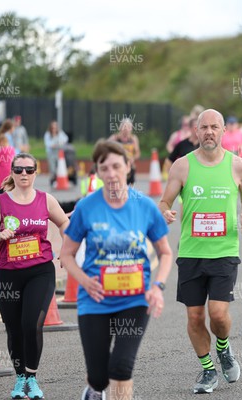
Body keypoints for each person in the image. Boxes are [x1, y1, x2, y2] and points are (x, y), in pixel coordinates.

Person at [60, 140, 173, 400]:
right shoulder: (87, 207)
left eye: (116, 166)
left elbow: (165, 252)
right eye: (104, 168)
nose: (110, 173)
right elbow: (66, 254)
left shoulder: (144, 206)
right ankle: (92, 389)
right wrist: (84, 282)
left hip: (135, 299)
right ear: (97, 172)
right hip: (95, 300)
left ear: (128, 166)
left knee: (121, 367)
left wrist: (158, 287)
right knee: (100, 377)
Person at [158, 109, 242, 394]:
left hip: (224, 251)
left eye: (215, 127)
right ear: (195, 132)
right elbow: (164, 201)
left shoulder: (238, 165)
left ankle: (223, 348)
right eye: (204, 127)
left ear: (224, 130)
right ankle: (208, 370)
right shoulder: (182, 166)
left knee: (219, 315)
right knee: (195, 317)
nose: (209, 132)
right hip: (190, 252)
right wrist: (166, 213)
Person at [0, 153, 69, 400]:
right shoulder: (1, 202)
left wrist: (66, 249)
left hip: (40, 270)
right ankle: (20, 379)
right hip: (9, 274)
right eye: (19, 170)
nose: (24, 174)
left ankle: (31, 378)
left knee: (32, 324)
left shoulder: (45, 200)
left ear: (36, 173)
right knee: (14, 329)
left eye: (29, 170)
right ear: (13, 173)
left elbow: (64, 223)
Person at [108, 118, 141, 185]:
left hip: (129, 166)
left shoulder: (133, 139)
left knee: (130, 188)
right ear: (120, 128)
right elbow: (104, 150)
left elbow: (138, 153)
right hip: (117, 166)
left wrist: (133, 158)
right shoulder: (114, 138)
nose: (126, 130)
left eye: (128, 127)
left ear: (131, 129)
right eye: (124, 127)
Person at [43, 120, 69, 185]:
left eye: (55, 127)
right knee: (52, 167)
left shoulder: (60, 133)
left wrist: (61, 142)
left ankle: (57, 180)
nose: (54, 129)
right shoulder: (47, 134)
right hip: (51, 153)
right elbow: (47, 144)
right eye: (53, 127)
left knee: (58, 166)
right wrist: (53, 144)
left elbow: (65, 138)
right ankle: (53, 179)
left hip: (58, 152)